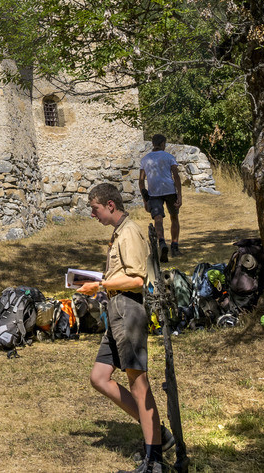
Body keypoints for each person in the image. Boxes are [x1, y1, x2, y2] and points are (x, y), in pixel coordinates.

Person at [76, 183, 170, 473]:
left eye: (96, 209)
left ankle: (154, 460)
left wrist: (101, 284)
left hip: (129, 311)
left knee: (139, 385)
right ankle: (159, 434)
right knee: (99, 377)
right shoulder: (119, 233)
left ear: (110, 206)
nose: (94, 215)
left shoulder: (129, 232)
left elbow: (138, 280)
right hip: (116, 311)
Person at [138, 134, 184, 259]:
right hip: (169, 190)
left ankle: (162, 242)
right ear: (163, 143)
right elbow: (176, 177)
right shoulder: (169, 157)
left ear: (152, 143)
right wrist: (179, 196)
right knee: (174, 217)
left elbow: (141, 181)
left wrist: (145, 200)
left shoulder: (145, 159)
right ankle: (174, 247)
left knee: (158, 218)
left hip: (154, 192)